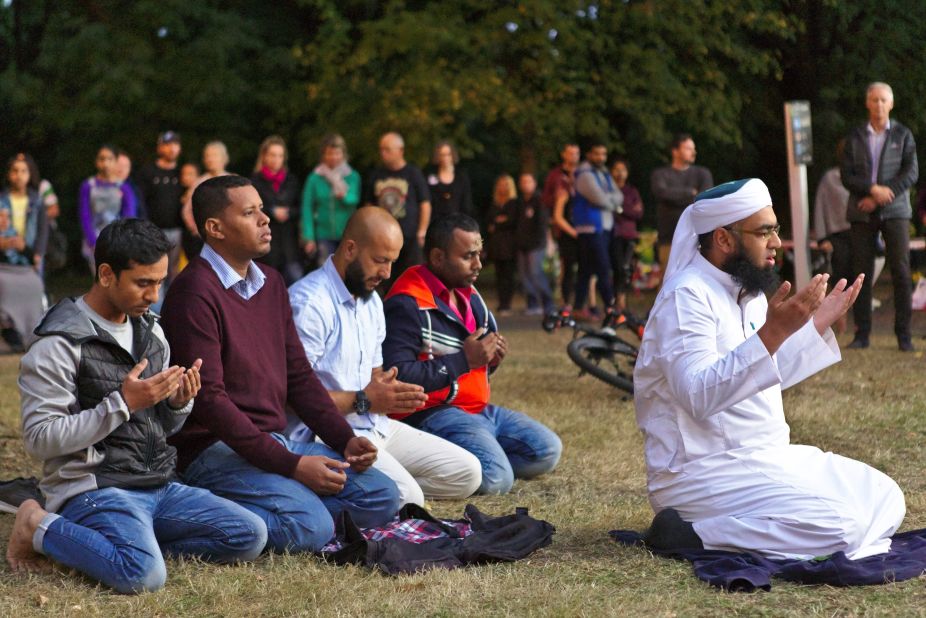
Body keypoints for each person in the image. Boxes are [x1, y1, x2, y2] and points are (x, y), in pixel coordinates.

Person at [634, 178, 904, 560]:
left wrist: (812, 326)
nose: (777, 241)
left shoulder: (749, 290)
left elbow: (761, 377)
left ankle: (765, 532)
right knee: (844, 527)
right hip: (702, 473)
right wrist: (774, 331)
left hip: (765, 455)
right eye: (764, 232)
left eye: (775, 229)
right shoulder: (686, 296)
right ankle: (691, 535)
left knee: (886, 495)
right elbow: (698, 395)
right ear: (724, 239)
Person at [8, 218, 267, 593]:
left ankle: (118, 546)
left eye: (160, 282)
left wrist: (178, 404)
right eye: (144, 283)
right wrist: (123, 403)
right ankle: (37, 524)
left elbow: (159, 428)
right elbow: (39, 440)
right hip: (95, 488)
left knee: (249, 534)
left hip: (158, 483)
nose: (154, 295)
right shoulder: (57, 345)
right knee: (143, 575)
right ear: (107, 274)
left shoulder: (151, 332)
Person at [161, 175, 399, 553]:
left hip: (273, 442)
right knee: (312, 526)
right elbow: (211, 403)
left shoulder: (271, 283)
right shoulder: (193, 292)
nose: (265, 219)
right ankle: (212, 511)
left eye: (263, 210)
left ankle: (280, 504)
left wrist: (345, 439)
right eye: (250, 212)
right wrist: (291, 466)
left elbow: (300, 377)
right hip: (214, 450)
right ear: (215, 228)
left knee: (383, 495)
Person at [287, 207, 482, 506]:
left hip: (375, 423)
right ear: (350, 248)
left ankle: (372, 491)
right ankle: (370, 492)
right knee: (410, 498)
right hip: (325, 434)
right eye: (380, 261)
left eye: (392, 262)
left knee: (467, 473)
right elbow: (294, 398)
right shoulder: (309, 302)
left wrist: (393, 392)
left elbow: (376, 377)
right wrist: (366, 399)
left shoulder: (372, 301)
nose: (387, 273)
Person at [383, 213, 562, 495]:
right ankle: (452, 460)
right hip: (432, 413)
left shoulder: (469, 293)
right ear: (438, 257)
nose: (479, 264)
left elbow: (474, 363)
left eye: (479, 253)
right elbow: (397, 374)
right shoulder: (406, 303)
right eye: (468, 256)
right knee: (497, 479)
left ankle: (471, 453)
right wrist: (465, 360)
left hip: (477, 410)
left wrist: (491, 360)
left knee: (547, 451)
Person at [841, 82, 919, 351]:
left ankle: (904, 336)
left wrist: (886, 193)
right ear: (867, 103)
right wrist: (871, 190)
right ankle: (862, 334)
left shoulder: (903, 135)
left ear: (891, 104)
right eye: (874, 100)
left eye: (883, 100)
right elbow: (846, 175)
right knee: (860, 272)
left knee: (900, 270)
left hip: (895, 211)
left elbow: (911, 172)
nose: (879, 105)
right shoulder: (855, 136)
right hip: (862, 212)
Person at [365, 132, 431, 290]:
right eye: (381, 149)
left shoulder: (413, 174)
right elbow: (368, 206)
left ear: (400, 150)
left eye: (387, 149)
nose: (383, 153)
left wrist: (422, 231)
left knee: (413, 281)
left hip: (410, 239)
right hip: (383, 240)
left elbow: (425, 203)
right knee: (385, 282)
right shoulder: (376, 175)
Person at [0, 154, 47, 350]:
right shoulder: (1, 200)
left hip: (28, 260)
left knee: (34, 287)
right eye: (15, 171)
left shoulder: (37, 201)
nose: (19, 175)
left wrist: (36, 254)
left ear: (30, 174)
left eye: (23, 171)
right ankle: (9, 328)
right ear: (9, 174)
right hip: (4, 260)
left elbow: (43, 232)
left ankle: (28, 332)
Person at [572, 140, 623, 320]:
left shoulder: (604, 173)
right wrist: (612, 203)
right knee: (603, 267)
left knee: (586, 269)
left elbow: (619, 195)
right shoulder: (585, 174)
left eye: (603, 154)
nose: (601, 157)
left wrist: (610, 201)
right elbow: (598, 198)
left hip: (604, 227)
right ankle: (611, 306)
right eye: (597, 154)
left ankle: (578, 306)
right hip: (590, 227)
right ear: (589, 155)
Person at [651, 133, 713, 272]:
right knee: (667, 281)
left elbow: (703, 201)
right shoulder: (660, 174)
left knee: (698, 279)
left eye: (694, 148)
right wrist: (690, 193)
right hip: (669, 238)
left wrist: (675, 196)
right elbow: (662, 193)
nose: (694, 152)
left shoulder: (702, 174)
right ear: (675, 151)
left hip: (697, 238)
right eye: (689, 148)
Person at [301, 133, 361, 268]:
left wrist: (345, 197)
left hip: (347, 234)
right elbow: (307, 208)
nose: (333, 157)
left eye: (337, 153)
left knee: (346, 270)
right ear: (323, 155)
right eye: (329, 153)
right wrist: (309, 236)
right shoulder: (314, 178)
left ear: (343, 154)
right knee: (325, 270)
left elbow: (355, 198)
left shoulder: (352, 176)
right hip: (323, 234)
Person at [78, 144, 137, 274]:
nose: (105, 163)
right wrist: (92, 241)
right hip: (93, 239)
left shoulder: (123, 187)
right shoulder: (88, 186)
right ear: (96, 161)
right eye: (102, 159)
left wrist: (121, 240)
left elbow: (129, 215)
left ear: (116, 162)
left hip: (117, 240)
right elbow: (85, 214)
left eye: (109, 159)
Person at [252, 135, 303, 285]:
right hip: (265, 245)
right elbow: (252, 209)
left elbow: (301, 208)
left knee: (295, 283)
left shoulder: (292, 180)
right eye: (272, 155)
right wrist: (272, 211)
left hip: (289, 245)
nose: (276, 159)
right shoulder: (254, 181)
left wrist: (288, 212)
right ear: (264, 156)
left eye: (280, 155)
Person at [813, 141, 852, 334]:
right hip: (837, 237)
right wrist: (822, 238)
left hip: (863, 234)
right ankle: (839, 324)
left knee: (860, 279)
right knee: (840, 280)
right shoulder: (830, 178)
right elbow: (820, 208)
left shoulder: (868, 179)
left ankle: (862, 328)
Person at [136, 131, 184, 284]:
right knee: (154, 271)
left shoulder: (184, 172)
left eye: (175, 144)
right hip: (154, 230)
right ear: (159, 148)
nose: (172, 148)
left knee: (175, 272)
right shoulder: (148, 172)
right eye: (167, 144)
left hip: (178, 230)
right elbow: (140, 201)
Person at [543, 143, 580, 307]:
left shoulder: (583, 174)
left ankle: (583, 302)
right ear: (564, 155)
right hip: (563, 226)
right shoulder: (555, 175)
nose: (573, 156)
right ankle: (566, 302)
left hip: (582, 225)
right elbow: (546, 199)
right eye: (570, 153)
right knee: (567, 265)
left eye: (576, 153)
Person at [180, 140, 231, 254]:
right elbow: (187, 210)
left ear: (224, 158)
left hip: (229, 238)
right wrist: (196, 230)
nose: (210, 159)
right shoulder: (198, 183)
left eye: (214, 155)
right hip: (204, 239)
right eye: (207, 156)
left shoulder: (233, 180)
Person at [514, 172, 554, 315]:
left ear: (534, 183)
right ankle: (533, 303)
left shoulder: (540, 201)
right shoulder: (520, 202)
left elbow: (542, 225)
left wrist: (540, 242)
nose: (526, 184)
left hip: (536, 245)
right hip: (522, 244)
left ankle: (548, 303)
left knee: (536, 274)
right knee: (525, 276)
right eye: (523, 182)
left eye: (528, 181)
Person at [610, 157, 644, 312]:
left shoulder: (632, 191)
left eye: (623, 169)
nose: (620, 173)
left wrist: (621, 209)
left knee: (625, 269)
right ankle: (615, 301)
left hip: (629, 236)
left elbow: (638, 213)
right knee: (616, 268)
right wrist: (627, 209)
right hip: (612, 234)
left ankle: (621, 302)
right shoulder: (607, 190)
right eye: (617, 169)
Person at [485, 175, 518, 315]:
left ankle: (507, 303)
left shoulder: (514, 203)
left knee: (508, 275)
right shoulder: (495, 203)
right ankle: (501, 302)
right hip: (497, 245)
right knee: (499, 275)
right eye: (500, 184)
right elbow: (489, 221)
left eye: (506, 184)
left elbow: (511, 221)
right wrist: (500, 221)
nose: (503, 187)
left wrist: (498, 223)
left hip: (509, 245)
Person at [426, 140, 473, 220]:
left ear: (453, 155)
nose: (445, 158)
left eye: (448, 154)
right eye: (442, 155)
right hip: (435, 220)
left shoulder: (461, 177)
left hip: (457, 220)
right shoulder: (431, 175)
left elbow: (466, 203)